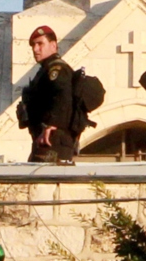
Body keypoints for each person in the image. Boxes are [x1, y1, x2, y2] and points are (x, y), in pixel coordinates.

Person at [16, 24, 103, 165]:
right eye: (33, 45)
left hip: (54, 139)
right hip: (48, 139)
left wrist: (52, 125)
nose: (35, 49)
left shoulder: (56, 69)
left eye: (40, 44)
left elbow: (64, 95)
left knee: (43, 181)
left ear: (53, 45)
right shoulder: (45, 70)